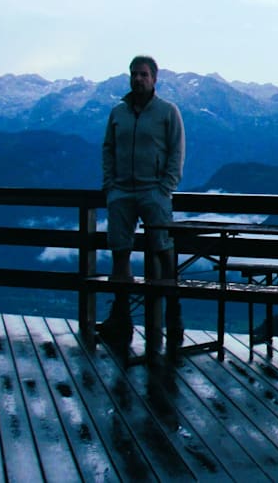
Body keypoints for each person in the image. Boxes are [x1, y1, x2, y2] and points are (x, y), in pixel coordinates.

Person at [98, 55, 186, 350]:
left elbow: (177, 151)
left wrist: (165, 188)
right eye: (134, 74)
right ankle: (121, 318)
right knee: (119, 252)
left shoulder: (167, 112)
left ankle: (173, 318)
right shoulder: (118, 113)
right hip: (121, 192)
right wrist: (110, 185)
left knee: (163, 251)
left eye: (144, 75)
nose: (138, 79)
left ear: (154, 79)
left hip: (153, 192)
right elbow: (108, 149)